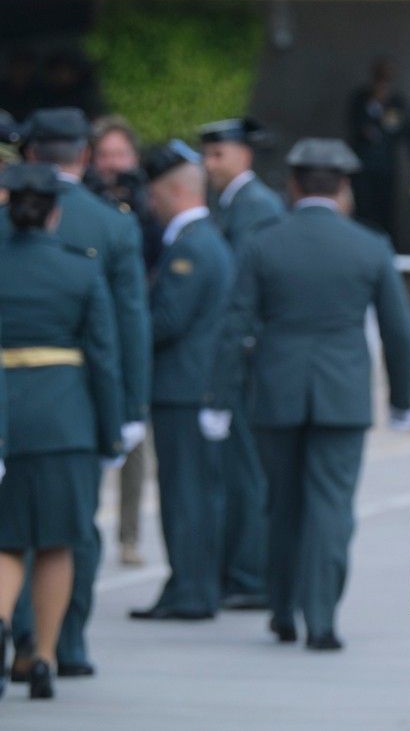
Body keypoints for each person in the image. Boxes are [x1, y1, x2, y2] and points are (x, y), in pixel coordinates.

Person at [220, 137, 410, 649]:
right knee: (330, 506)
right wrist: (401, 400)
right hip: (342, 394)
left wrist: (218, 396)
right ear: (344, 188)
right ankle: (322, 619)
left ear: (292, 185)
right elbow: (399, 330)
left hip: (276, 390)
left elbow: (234, 324)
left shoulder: (264, 241)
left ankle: (282, 610)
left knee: (280, 504)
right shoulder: (369, 245)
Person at [8, 107, 149, 680]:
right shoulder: (111, 225)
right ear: (83, 156)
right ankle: (63, 646)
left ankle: (15, 639)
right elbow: (125, 330)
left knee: (8, 533)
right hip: (72, 407)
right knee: (71, 531)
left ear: (29, 157)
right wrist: (128, 412)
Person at [0, 163, 123, 700]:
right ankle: (45, 656)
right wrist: (112, 431)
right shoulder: (80, 270)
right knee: (55, 543)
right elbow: (104, 357)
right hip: (63, 420)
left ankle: (3, 622)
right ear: (55, 211)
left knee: (4, 542)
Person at [126, 141, 234, 622]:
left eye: (155, 192)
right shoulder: (199, 240)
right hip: (190, 389)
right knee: (189, 493)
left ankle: (191, 590)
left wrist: (125, 330)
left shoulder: (192, 245)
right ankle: (187, 584)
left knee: (185, 494)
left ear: (172, 192)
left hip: (183, 390)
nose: (150, 202)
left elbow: (166, 320)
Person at [200, 115, 285, 611]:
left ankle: (251, 574)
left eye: (219, 154)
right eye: (207, 156)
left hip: (249, 357)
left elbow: (249, 286)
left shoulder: (256, 206)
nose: (211, 165)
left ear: (243, 155)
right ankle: (241, 569)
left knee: (248, 470)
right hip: (237, 351)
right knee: (236, 470)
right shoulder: (233, 203)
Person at [85, 114, 160, 568]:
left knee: (135, 443)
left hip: (131, 330)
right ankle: (83, 527)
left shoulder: (146, 204)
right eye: (106, 155)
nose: (114, 164)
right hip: (91, 331)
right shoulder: (83, 203)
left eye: (121, 154)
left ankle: (129, 534)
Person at [347, 58, 407, 238]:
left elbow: (399, 128)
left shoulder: (396, 100)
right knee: (364, 207)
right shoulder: (361, 98)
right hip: (364, 164)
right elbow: (355, 125)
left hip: (386, 165)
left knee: (386, 210)